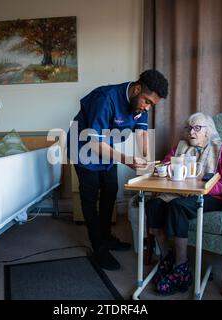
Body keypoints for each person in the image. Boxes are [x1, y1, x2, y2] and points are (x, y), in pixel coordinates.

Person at [67, 70, 169, 270]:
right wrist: (127, 160)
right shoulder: (105, 99)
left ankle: (106, 236)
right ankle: (98, 249)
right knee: (90, 195)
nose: (147, 107)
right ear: (137, 89)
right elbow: (94, 145)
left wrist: (147, 160)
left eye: (151, 105)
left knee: (111, 190)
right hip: (83, 147)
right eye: (146, 101)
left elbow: (141, 132)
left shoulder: (141, 103)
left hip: (105, 148)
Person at [146, 112, 222, 295]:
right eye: (189, 127)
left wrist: (208, 188)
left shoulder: (221, 149)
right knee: (154, 205)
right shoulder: (180, 147)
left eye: (197, 128)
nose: (192, 132)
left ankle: (181, 268)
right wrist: (164, 171)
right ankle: (167, 257)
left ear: (208, 131)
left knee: (177, 207)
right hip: (179, 193)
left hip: (210, 197)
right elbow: (166, 165)